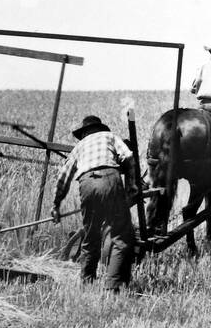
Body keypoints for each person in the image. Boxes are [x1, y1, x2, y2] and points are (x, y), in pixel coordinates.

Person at [52, 115, 146, 292]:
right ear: (100, 128)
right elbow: (129, 157)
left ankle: (87, 283)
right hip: (110, 180)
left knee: (90, 236)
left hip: (87, 184)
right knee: (120, 235)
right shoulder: (109, 137)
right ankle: (113, 287)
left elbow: (63, 178)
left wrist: (56, 205)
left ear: (84, 133)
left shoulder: (79, 147)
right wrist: (132, 185)